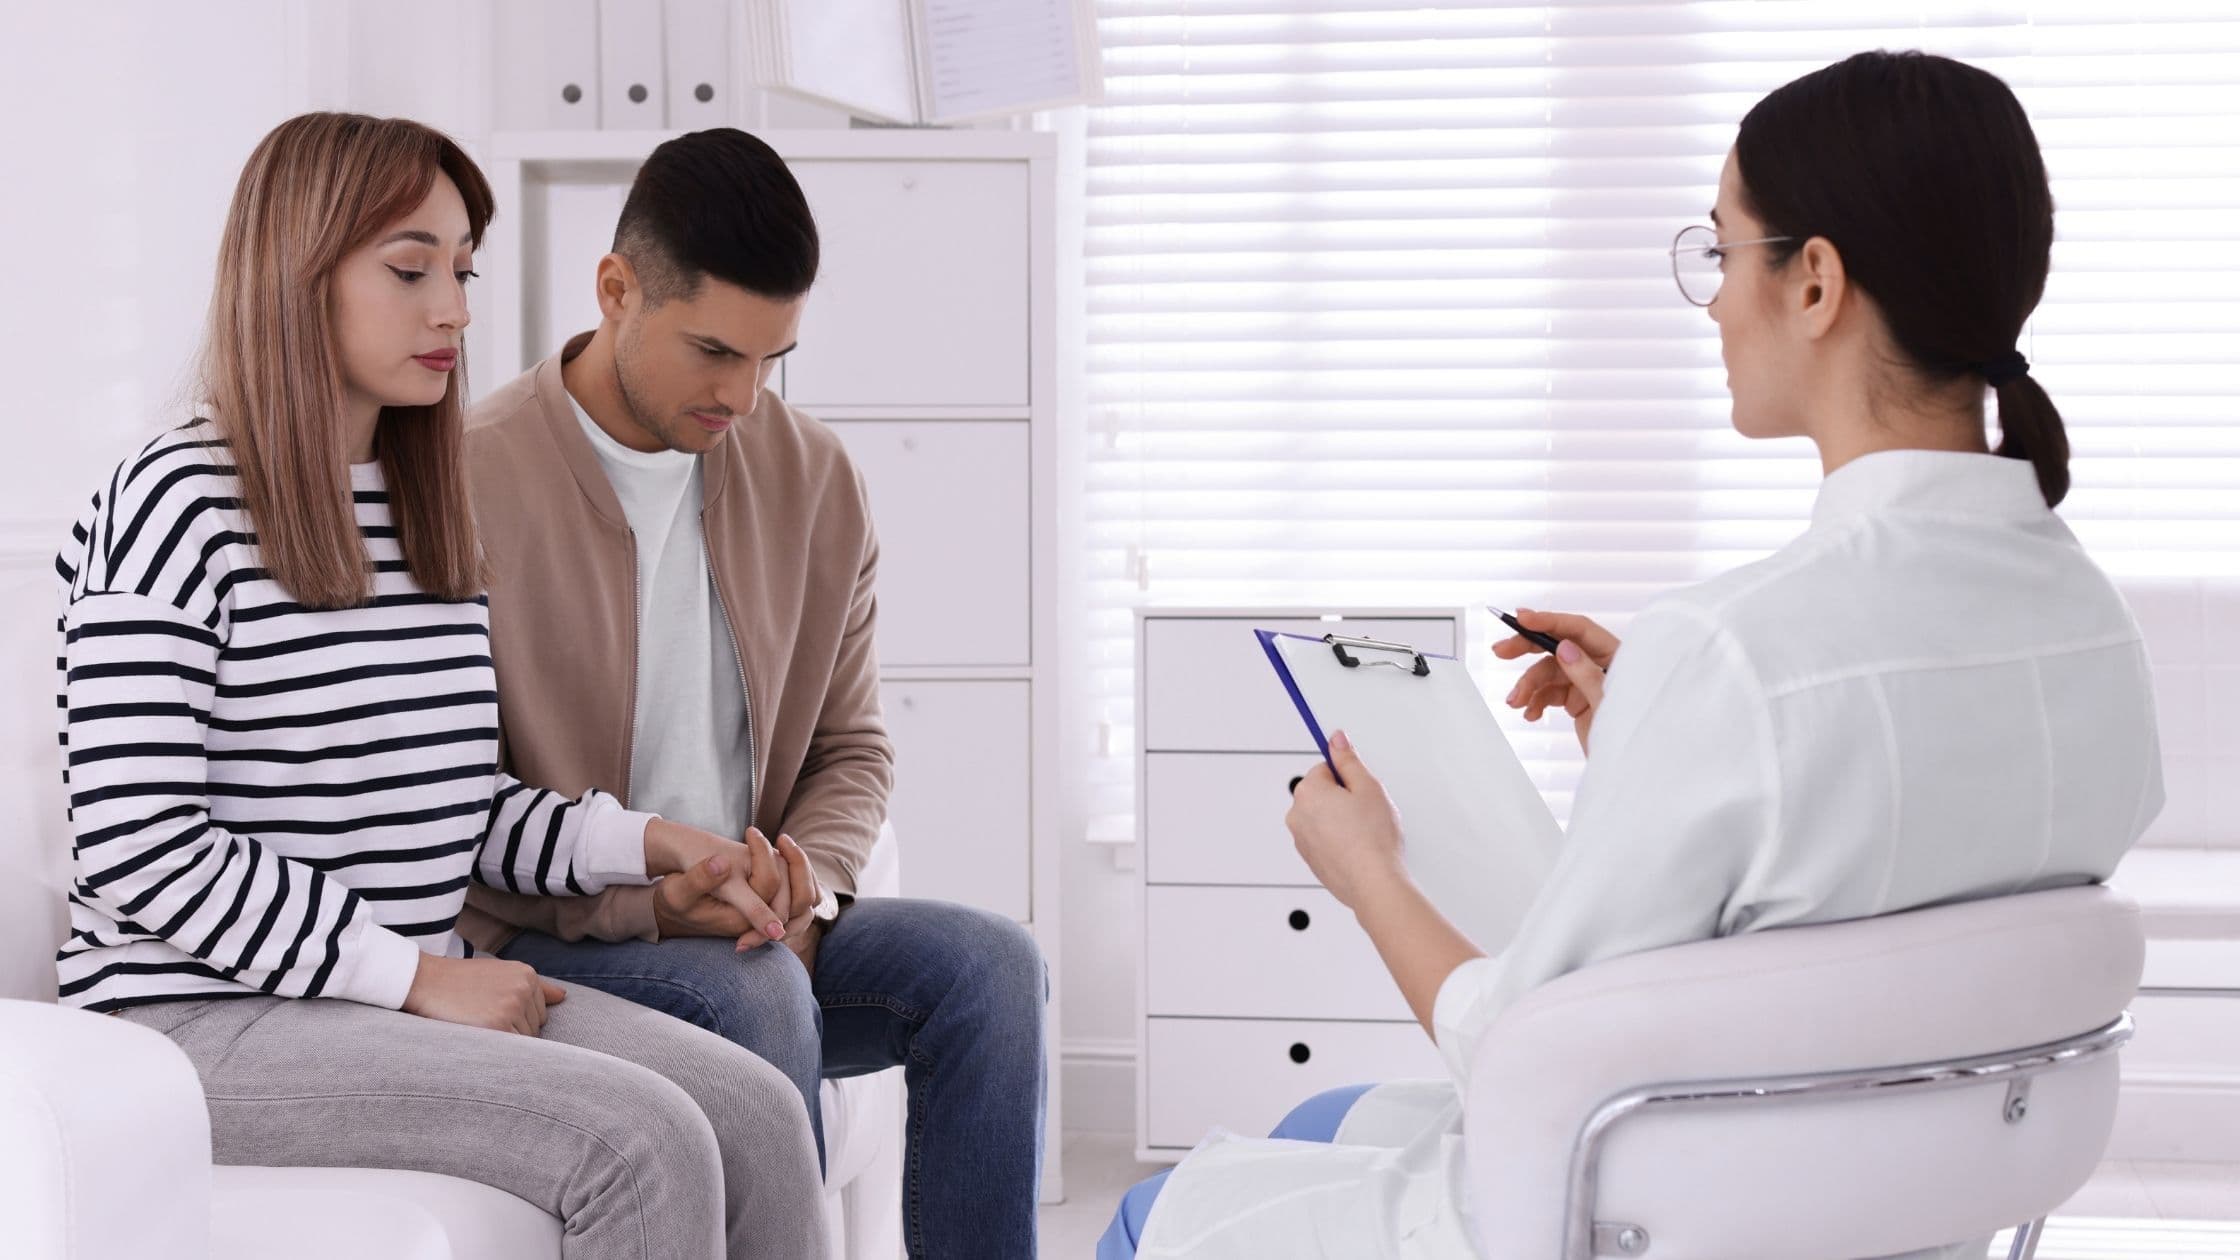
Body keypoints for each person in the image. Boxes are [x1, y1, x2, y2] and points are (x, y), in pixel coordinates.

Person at [1101, 50, 2164, 1260]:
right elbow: (1860, 910)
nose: (1711, 300)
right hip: (1892, 1214)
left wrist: (1368, 874)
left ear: (1813, 282)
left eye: (1721, 251)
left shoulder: (1728, 655)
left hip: (1665, 1217)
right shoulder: (2092, 633)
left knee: (1154, 1216)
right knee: (1315, 1122)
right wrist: (1651, 747)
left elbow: (1515, 1048)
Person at [57, 112, 828, 1260]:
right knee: (639, 1141)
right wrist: (410, 974)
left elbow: (453, 812)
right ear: (294, 271)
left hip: (384, 996)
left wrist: (651, 844)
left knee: (757, 1114)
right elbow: (135, 841)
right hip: (195, 1020)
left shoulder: (421, 515)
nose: (456, 310)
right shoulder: (173, 500)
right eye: (411, 269)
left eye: (460, 270)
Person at [451, 126, 1048, 1259]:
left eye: (773, 357)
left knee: (991, 971)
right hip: (553, 934)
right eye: (714, 350)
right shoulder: (469, 480)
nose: (744, 393)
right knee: (760, 994)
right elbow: (445, 804)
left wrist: (805, 885)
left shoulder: (814, 478)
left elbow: (850, 746)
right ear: (616, 290)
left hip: (756, 924)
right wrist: (653, 903)